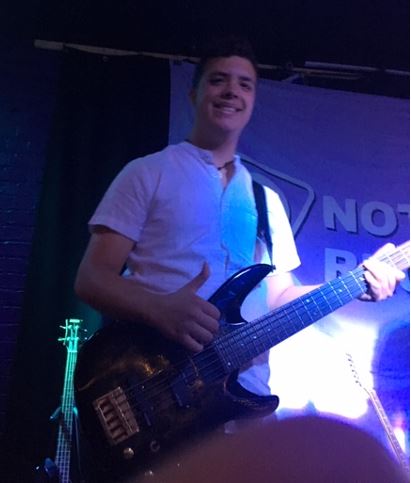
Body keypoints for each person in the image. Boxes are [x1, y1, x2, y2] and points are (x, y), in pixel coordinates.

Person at [74, 36, 405, 401]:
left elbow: (278, 297)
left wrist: (358, 285)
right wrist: (159, 309)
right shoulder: (147, 173)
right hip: (156, 390)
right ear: (193, 93)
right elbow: (92, 279)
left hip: (243, 397)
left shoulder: (266, 200)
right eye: (218, 80)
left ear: (252, 101)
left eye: (244, 84)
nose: (232, 91)